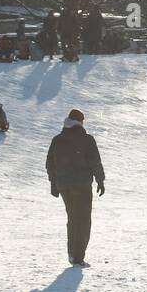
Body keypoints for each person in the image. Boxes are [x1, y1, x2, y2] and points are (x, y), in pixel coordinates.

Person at [46, 109, 105, 268]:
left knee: (72, 219)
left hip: (64, 186)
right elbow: (95, 162)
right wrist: (100, 180)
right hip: (82, 185)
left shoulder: (57, 140)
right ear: (80, 122)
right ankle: (78, 257)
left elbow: (50, 163)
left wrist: (53, 183)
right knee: (83, 220)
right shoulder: (87, 140)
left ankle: (73, 254)